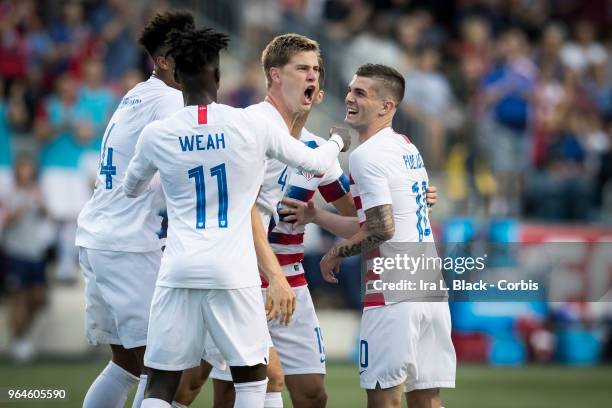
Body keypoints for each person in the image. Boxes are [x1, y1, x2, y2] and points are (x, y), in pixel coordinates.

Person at [123, 28, 349, 408]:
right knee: (253, 379)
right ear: (217, 78)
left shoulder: (157, 133)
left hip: (178, 267)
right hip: (235, 268)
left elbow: (132, 188)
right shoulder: (248, 125)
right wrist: (338, 141)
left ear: (177, 80)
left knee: (162, 381)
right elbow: (316, 162)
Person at [281, 64, 455, 408]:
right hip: (428, 286)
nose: (349, 97)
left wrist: (337, 253)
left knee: (383, 399)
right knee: (427, 400)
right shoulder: (406, 147)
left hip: (391, 291)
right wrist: (316, 216)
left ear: (386, 107)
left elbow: (380, 229)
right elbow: (381, 220)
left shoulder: (365, 156)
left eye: (361, 93)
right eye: (350, 89)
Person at [75, 11, 200, 408]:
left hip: (99, 236)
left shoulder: (137, 94)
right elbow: (182, 170)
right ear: (163, 59)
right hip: (126, 244)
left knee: (125, 364)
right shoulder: (168, 101)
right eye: (187, 54)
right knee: (163, 366)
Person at [2, 155, 50, 362]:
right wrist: (21, 209)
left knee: (39, 298)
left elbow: (47, 214)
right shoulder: (10, 192)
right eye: (23, 168)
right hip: (16, 251)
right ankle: (18, 341)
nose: (26, 172)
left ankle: (20, 337)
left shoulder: (37, 190)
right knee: (18, 298)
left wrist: (40, 205)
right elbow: (6, 221)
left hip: (35, 251)